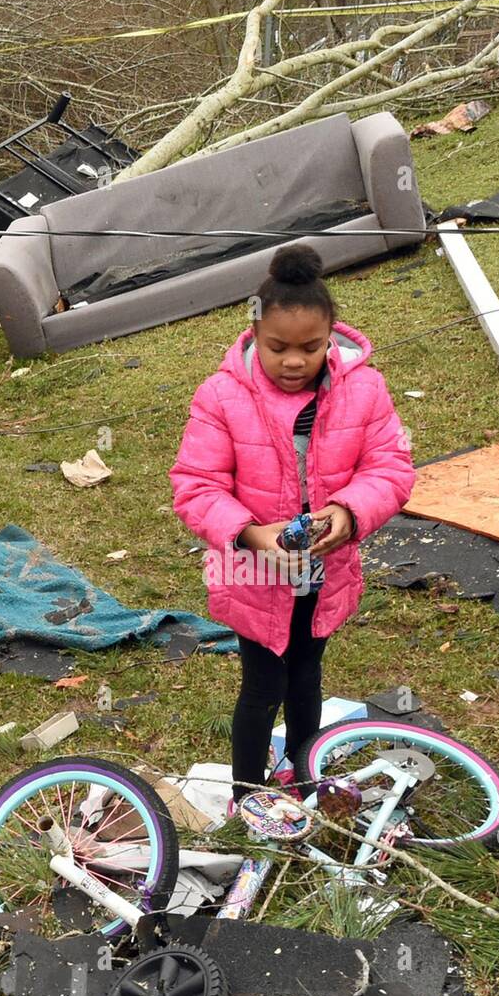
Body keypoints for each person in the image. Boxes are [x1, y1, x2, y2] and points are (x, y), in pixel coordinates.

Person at [170, 244, 415, 805]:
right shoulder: (222, 397)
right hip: (253, 576)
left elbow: (391, 468)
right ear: (254, 334)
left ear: (333, 337)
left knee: (306, 678)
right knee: (262, 686)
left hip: (325, 573)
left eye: (311, 347)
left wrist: (348, 513)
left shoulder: (363, 390)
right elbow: (196, 485)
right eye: (277, 347)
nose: (294, 361)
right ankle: (249, 796)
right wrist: (253, 535)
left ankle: (307, 783)